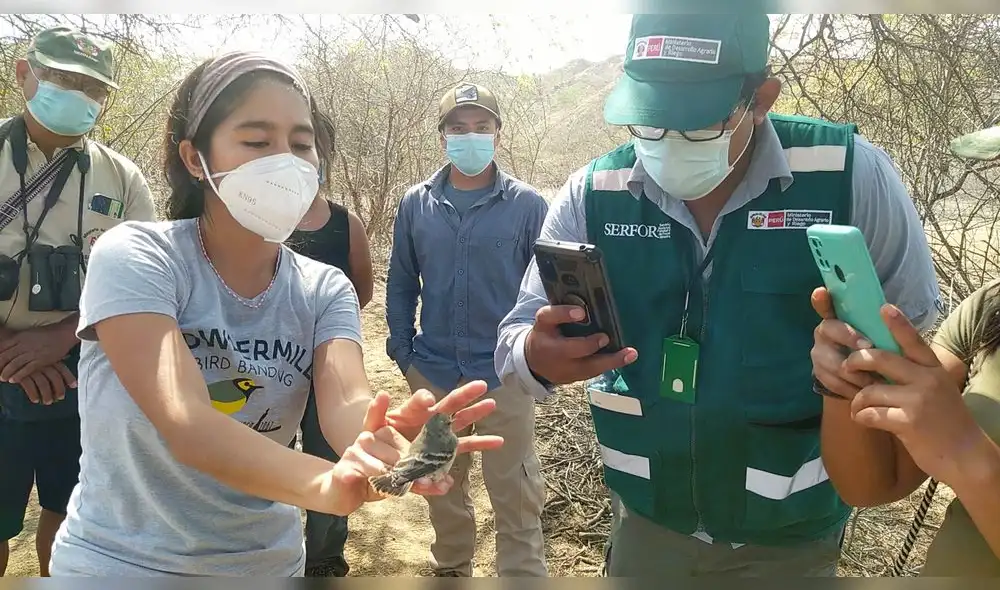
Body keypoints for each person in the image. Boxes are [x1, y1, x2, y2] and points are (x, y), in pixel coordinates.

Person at [495, 13, 942, 577]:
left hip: (790, 540)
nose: (667, 144)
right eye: (649, 125)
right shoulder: (592, 194)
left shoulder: (849, 175)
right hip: (646, 527)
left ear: (760, 99)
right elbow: (512, 344)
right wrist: (537, 355)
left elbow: (914, 333)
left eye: (698, 124)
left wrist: (861, 370)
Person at [45, 51, 503, 577]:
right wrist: (324, 485)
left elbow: (347, 401)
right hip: (120, 565)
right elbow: (187, 421)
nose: (285, 160)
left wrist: (385, 447)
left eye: (302, 144)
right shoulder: (138, 255)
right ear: (196, 159)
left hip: (269, 566)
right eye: (258, 141)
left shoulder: (323, 287)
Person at [809, 123, 1000, 576]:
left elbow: (962, 451)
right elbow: (874, 484)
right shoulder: (989, 309)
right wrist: (846, 381)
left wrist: (971, 457)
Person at [0, 26, 156, 577]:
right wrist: (10, 354)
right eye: (64, 79)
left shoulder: (123, 177)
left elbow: (146, 287)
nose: (79, 95)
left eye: (94, 88)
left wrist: (62, 337)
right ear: (25, 73)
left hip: (83, 373)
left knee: (70, 516)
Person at [385, 82, 549, 577]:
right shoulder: (416, 203)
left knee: (516, 494)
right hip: (433, 372)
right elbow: (400, 281)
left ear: (498, 134)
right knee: (441, 486)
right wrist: (403, 352)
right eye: (458, 128)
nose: (470, 137)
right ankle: (452, 570)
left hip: (503, 375)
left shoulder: (527, 205)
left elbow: (546, 290)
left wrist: (533, 360)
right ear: (443, 137)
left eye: (481, 128)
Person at [287, 190, 374, 577]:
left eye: (306, 146)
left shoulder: (346, 223)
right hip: (265, 367)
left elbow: (362, 292)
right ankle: (278, 553)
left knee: (329, 459)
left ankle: (324, 561)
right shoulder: (254, 220)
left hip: (330, 360)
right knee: (269, 454)